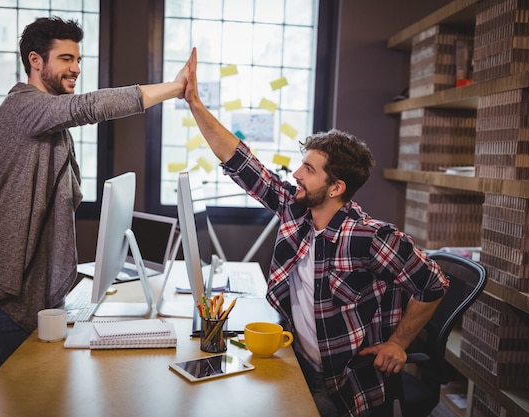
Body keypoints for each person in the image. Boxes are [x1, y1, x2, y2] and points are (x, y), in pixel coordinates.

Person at [183, 47, 449, 417]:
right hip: (297, 363)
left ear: (336, 187)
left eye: (307, 168)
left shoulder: (371, 236)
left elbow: (433, 283)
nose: (296, 175)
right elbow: (242, 162)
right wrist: (194, 102)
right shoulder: (297, 210)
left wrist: (399, 344)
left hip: (342, 388)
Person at [0, 16, 189, 365]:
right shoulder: (23, 107)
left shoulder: (50, 121)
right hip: (8, 278)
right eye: (66, 59)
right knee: (20, 390)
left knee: (46, 385)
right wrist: (174, 89)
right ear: (35, 61)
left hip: (34, 274)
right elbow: (87, 107)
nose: (76, 69)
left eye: (78, 60)